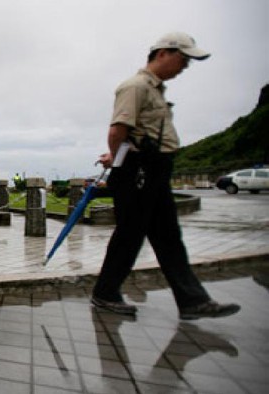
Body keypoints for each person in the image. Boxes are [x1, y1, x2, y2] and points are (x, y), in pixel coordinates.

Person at [92, 32, 239, 320]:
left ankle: (192, 301)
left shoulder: (155, 89)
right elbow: (117, 131)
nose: (184, 67)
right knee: (130, 235)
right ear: (163, 53)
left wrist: (115, 156)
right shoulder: (135, 87)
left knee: (168, 236)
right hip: (139, 171)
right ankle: (105, 293)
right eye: (183, 59)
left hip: (152, 168)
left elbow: (133, 136)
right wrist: (120, 162)